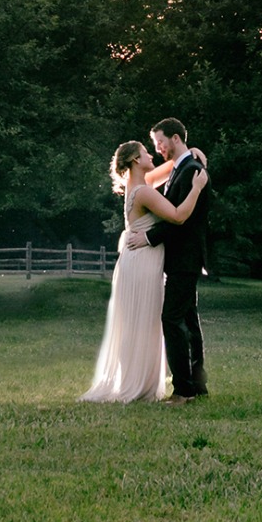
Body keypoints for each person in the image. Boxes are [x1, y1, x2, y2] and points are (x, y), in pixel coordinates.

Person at [81, 139, 208, 403]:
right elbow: (178, 216)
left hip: (137, 261)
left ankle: (140, 380)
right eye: (146, 152)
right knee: (144, 322)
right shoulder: (144, 192)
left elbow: (174, 164)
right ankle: (139, 384)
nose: (152, 154)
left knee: (139, 323)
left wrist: (192, 152)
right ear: (137, 160)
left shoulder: (139, 185)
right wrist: (196, 188)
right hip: (142, 262)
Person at [125, 117, 209, 405]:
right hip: (178, 258)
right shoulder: (180, 168)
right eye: (153, 145)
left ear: (175, 138)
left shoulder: (192, 171)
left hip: (185, 258)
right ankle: (196, 386)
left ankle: (184, 390)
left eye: (160, 142)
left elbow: (180, 221)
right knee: (187, 320)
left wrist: (149, 237)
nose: (157, 148)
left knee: (171, 319)